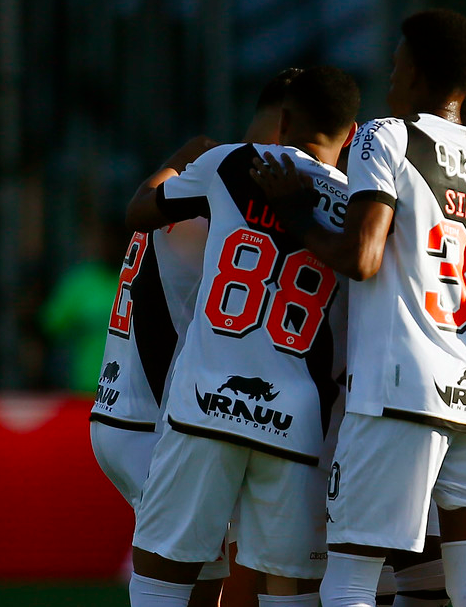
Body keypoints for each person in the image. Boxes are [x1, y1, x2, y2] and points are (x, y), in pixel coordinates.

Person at [251, 10, 466, 607]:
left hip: (401, 392)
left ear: (416, 73)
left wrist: (295, 213)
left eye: (396, 66)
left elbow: (364, 255)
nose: (389, 78)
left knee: (351, 578)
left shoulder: (386, 135)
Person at [123, 65, 360, 607]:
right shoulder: (355, 207)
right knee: (290, 589)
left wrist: (175, 164)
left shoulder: (231, 162)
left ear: (284, 119)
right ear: (350, 133)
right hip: (298, 416)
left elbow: (140, 212)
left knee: (161, 577)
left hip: (205, 399)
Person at [90, 66, 305, 607]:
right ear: (288, 125)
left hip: (123, 407)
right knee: (177, 583)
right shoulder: (237, 183)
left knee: (201, 578)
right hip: (155, 416)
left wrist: (173, 161)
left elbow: (143, 205)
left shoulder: (194, 174)